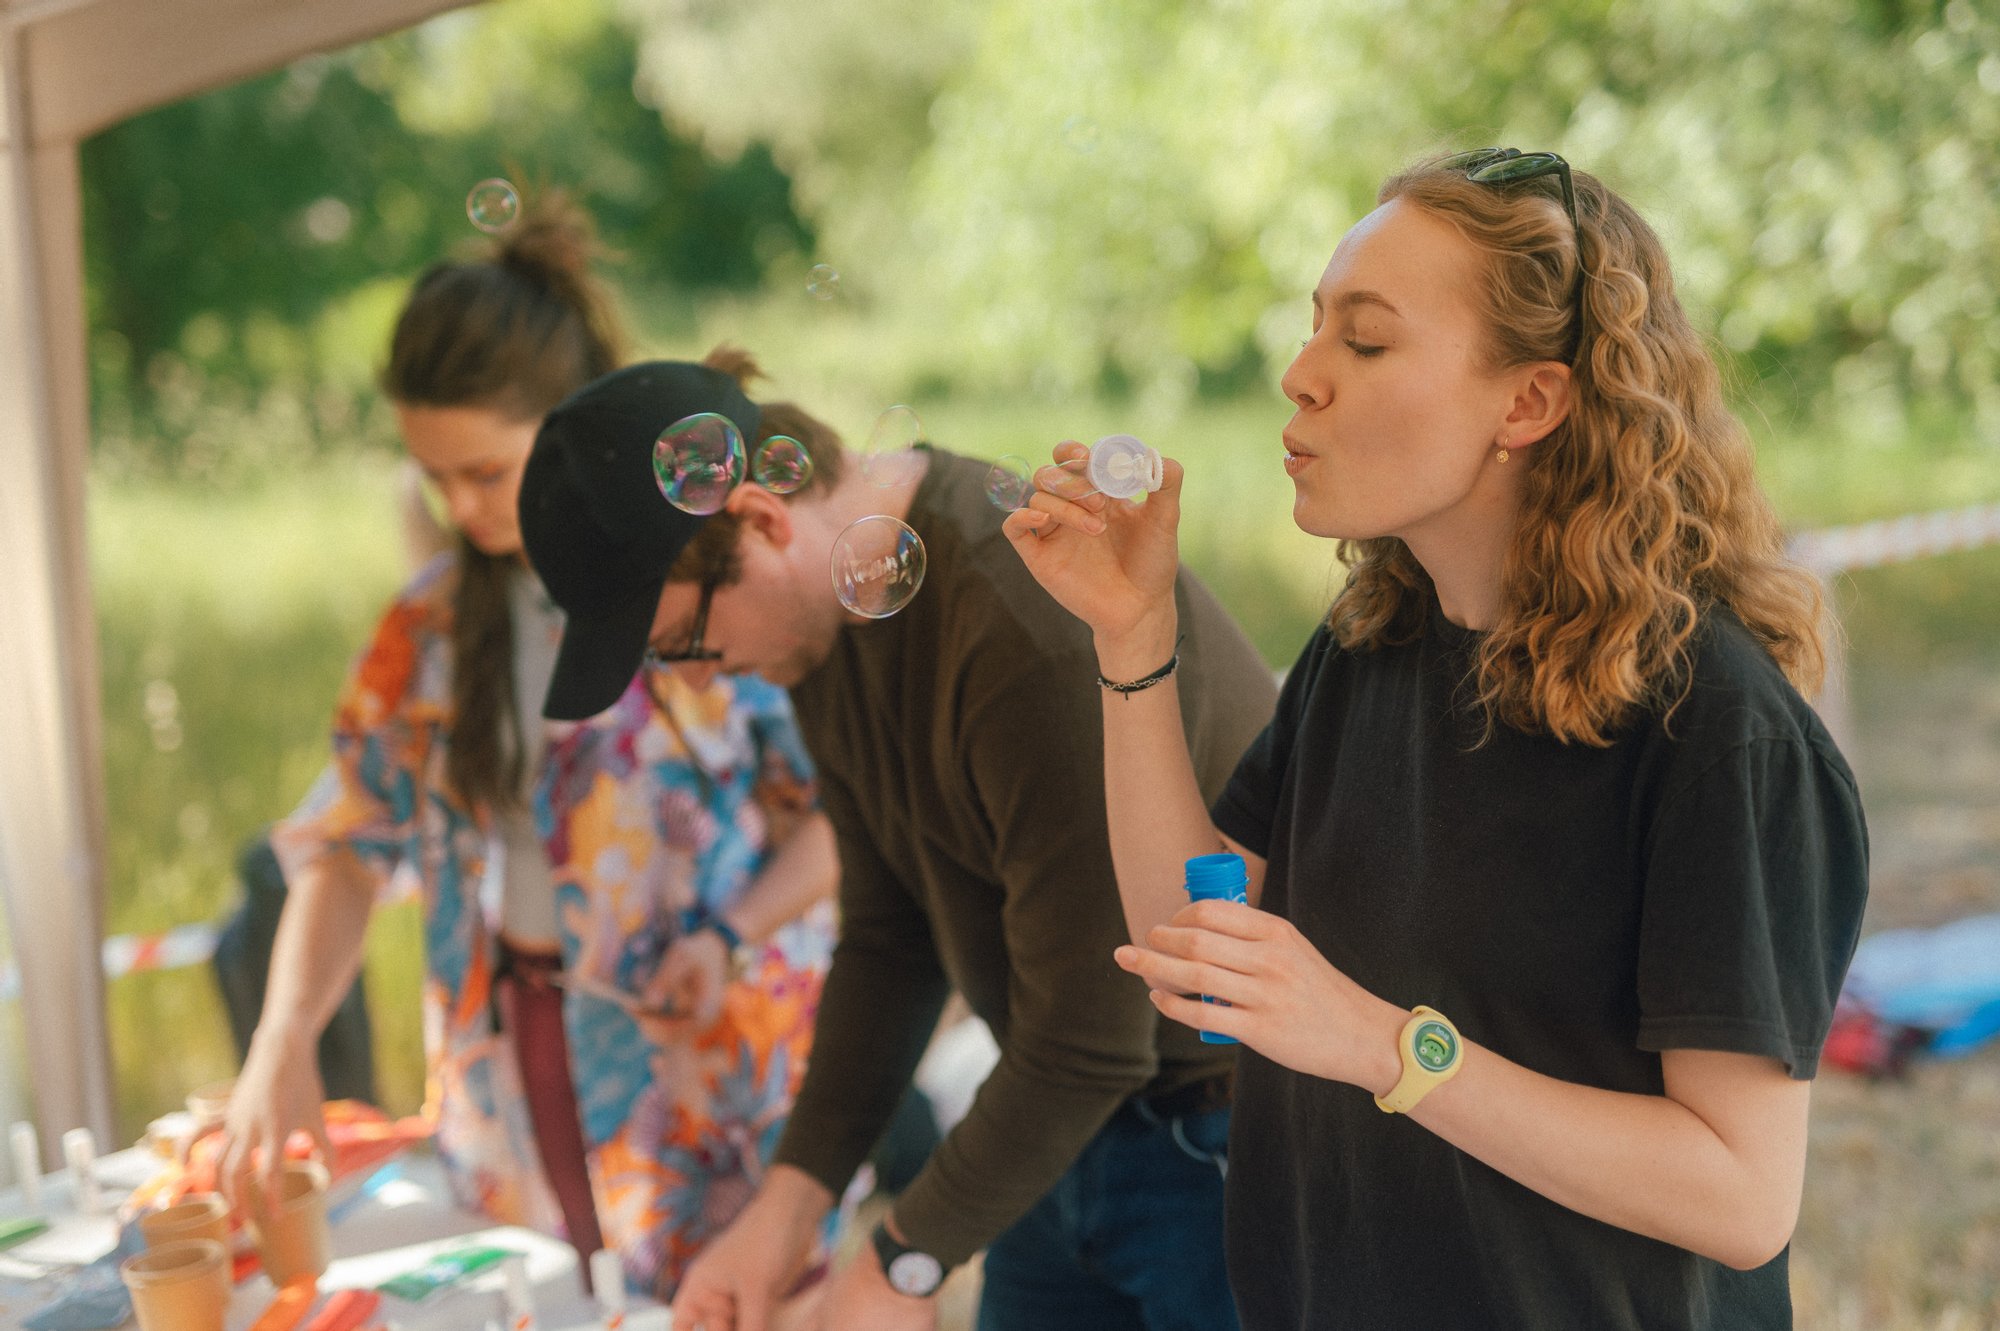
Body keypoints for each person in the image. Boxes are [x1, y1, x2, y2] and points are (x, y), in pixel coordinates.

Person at [1005, 148, 1871, 1329]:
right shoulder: (1373, 640)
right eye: (1315, 327)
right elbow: (1196, 956)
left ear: (1527, 403)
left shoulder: (1714, 729)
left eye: (1364, 342)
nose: (1299, 375)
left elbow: (1738, 1192)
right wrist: (1131, 636)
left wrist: (1380, 1044)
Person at [516, 353, 1279, 1331]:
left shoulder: (1020, 623)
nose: (699, 681)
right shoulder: (820, 624)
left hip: (1218, 1126)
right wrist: (782, 1214)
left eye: (685, 645)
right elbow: (890, 933)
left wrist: (896, 1264)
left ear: (761, 520)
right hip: (1054, 1116)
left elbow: (1095, 1031)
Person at [217, 196, 841, 1300]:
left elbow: (840, 817)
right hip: (508, 1067)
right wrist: (284, 1032)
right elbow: (350, 842)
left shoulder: (705, 585)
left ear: (567, 431)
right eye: (435, 479)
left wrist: (729, 931)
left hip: (711, 1070)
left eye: (486, 474)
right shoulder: (427, 629)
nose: (459, 507)